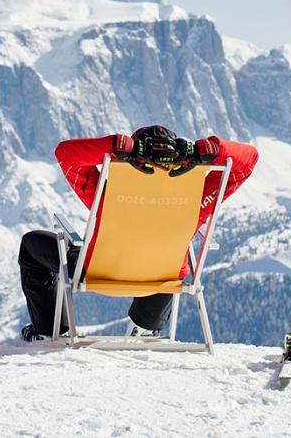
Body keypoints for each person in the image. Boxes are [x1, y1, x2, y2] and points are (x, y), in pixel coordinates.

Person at [18, 125, 259, 341]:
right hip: (164, 278)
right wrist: (206, 150)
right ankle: (146, 327)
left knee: (32, 244)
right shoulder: (196, 198)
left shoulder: (106, 192)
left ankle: (49, 332)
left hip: (100, 270)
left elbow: (65, 154)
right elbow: (249, 160)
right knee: (165, 256)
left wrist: (118, 147)